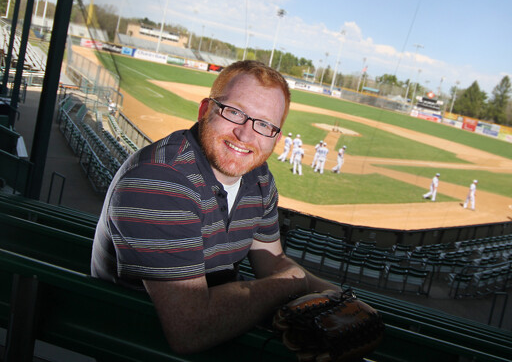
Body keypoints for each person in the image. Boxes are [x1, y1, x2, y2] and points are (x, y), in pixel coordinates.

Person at [91, 61, 338, 354]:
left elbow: (272, 262)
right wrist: (292, 285)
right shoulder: (158, 179)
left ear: (276, 139)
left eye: (264, 125)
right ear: (205, 110)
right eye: (234, 112)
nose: (245, 135)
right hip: (139, 344)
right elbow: (190, 329)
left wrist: (333, 295)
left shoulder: (259, 178)